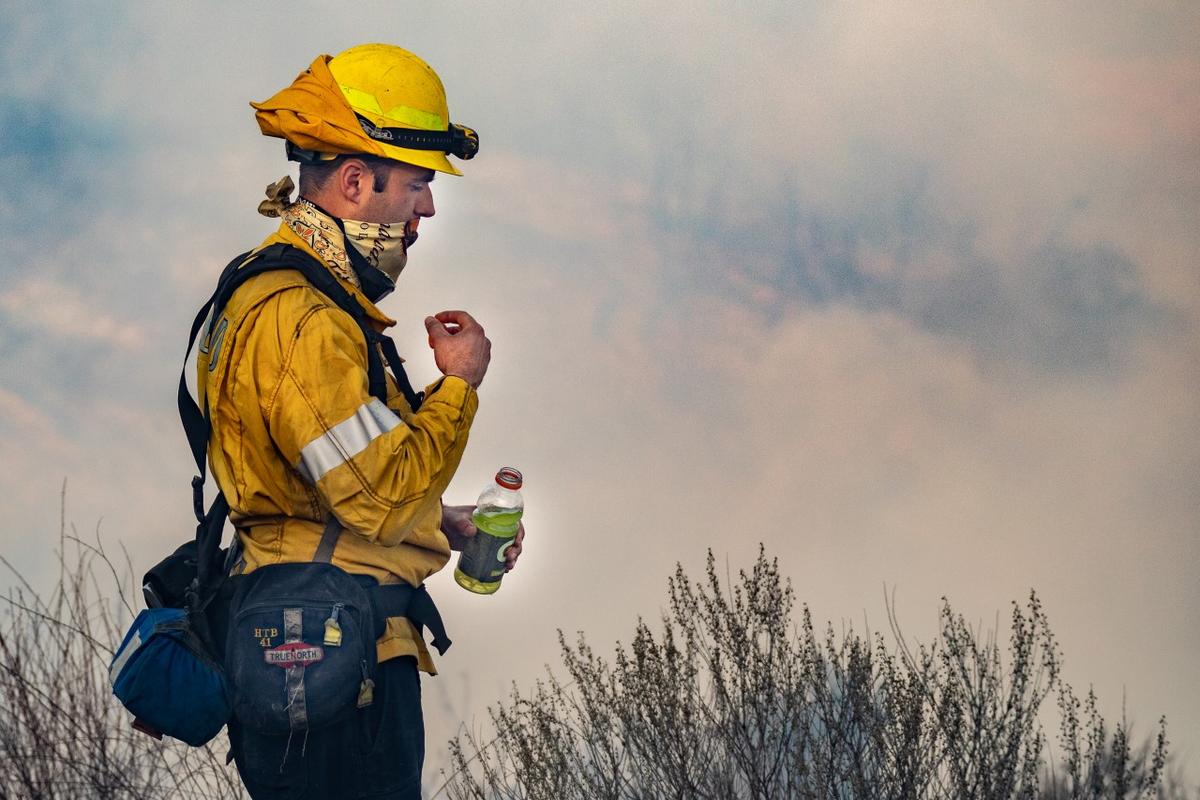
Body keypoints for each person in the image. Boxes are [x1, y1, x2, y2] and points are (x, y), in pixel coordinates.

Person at [198, 43, 523, 799]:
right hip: (335, 662)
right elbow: (376, 495)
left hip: (322, 646)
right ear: (353, 180)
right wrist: (458, 388)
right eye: (417, 184)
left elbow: (338, 484)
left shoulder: (306, 304)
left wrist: (444, 522)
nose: (427, 209)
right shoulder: (301, 317)